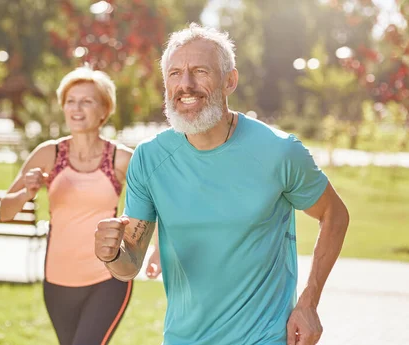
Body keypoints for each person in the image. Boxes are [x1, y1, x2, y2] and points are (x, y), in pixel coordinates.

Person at [94, 23, 350, 345]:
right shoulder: (149, 158)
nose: (185, 85)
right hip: (183, 339)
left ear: (230, 80)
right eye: (174, 74)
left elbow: (335, 214)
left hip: (264, 337)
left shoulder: (278, 151)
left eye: (200, 71)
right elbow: (129, 264)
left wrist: (309, 302)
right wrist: (112, 254)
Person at [0, 66, 156, 345]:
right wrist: (28, 192)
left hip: (107, 276)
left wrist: (155, 250)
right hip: (58, 281)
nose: (76, 108)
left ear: (104, 110)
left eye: (87, 101)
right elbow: (4, 211)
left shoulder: (120, 158)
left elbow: (154, 206)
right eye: (70, 101)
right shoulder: (50, 153)